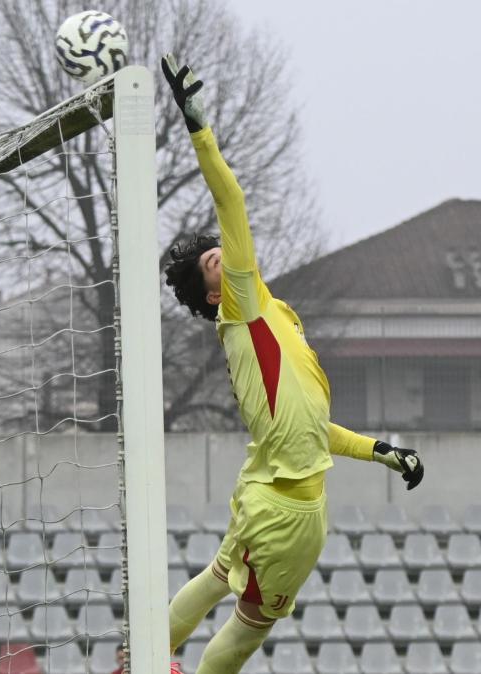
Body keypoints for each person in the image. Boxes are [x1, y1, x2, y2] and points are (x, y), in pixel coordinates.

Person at [159, 53, 425, 674]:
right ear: (211, 293)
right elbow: (232, 199)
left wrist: (383, 451)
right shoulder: (244, 303)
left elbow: (313, 427)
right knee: (249, 629)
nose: (224, 255)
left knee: (221, 576)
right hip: (288, 507)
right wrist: (200, 129)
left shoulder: (269, 316)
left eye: (218, 253)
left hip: (266, 483)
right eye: (212, 263)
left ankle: (145, 653)